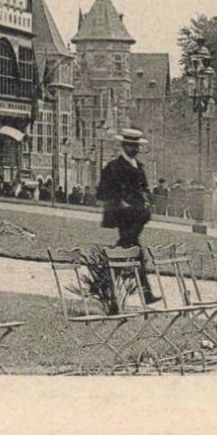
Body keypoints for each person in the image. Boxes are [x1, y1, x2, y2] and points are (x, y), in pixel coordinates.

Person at [95, 127, 160, 304]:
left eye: (137, 146)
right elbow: (103, 192)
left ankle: (101, 282)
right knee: (133, 250)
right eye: (132, 146)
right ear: (124, 145)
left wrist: (146, 199)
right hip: (123, 215)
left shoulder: (138, 166)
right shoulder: (113, 167)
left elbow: (144, 187)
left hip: (138, 215)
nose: (136, 149)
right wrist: (121, 203)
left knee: (129, 248)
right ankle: (145, 293)